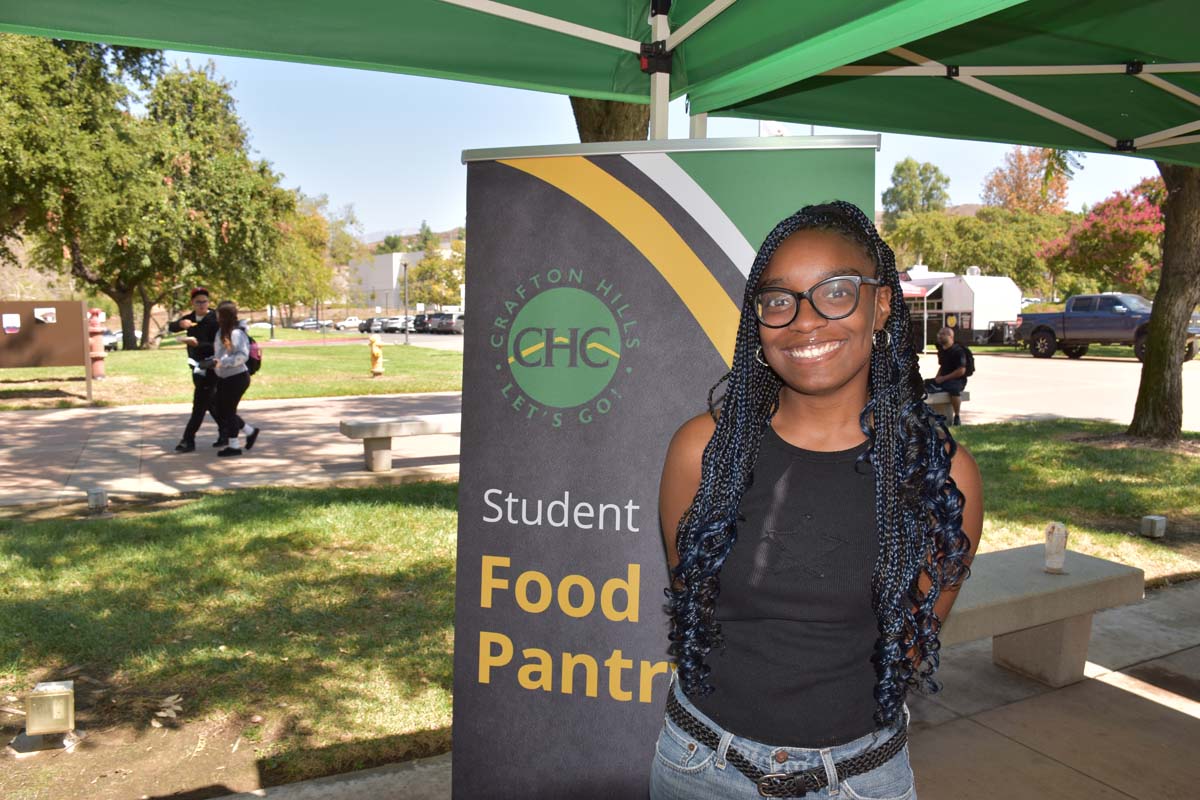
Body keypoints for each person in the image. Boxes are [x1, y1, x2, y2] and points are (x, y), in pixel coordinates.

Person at [651, 201, 982, 800]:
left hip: (858, 780)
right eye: (779, 300)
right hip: (698, 768)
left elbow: (908, 646)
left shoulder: (941, 475)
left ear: (882, 305)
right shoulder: (701, 452)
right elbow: (691, 600)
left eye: (835, 292)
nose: (804, 320)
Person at [169, 287, 220, 453]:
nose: (201, 305)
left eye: (204, 301)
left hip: (212, 365)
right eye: (198, 302)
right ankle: (230, 430)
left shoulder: (215, 318)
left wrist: (198, 344)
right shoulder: (190, 318)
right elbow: (171, 327)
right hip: (196, 365)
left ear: (209, 302)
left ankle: (188, 439)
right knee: (211, 403)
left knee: (199, 403)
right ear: (192, 303)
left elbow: (219, 345)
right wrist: (179, 324)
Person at [211, 300, 260, 457]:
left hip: (237, 377)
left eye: (218, 313)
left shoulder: (236, 333)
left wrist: (222, 362)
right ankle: (249, 431)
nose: (216, 315)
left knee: (228, 411)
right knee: (221, 409)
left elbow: (242, 356)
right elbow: (221, 353)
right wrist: (211, 362)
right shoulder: (221, 332)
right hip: (226, 377)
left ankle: (234, 446)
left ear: (224, 315)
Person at [925, 326, 968, 426]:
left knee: (953, 389)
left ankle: (957, 416)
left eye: (942, 334)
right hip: (944, 379)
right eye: (939, 334)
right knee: (925, 384)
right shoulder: (942, 350)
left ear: (950, 336)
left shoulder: (959, 351)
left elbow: (961, 370)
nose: (939, 336)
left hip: (958, 380)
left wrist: (943, 378)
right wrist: (937, 379)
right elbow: (942, 366)